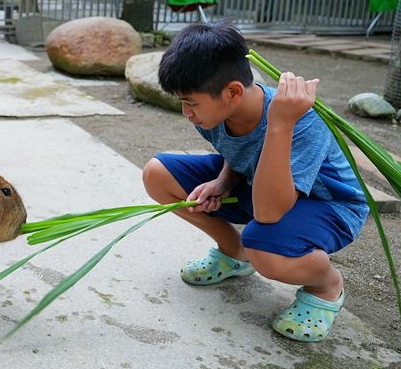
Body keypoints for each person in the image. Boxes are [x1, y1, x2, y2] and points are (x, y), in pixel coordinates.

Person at [142, 22, 369, 342]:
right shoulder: (212, 114)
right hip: (262, 186)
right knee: (157, 174)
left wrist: (280, 124)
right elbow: (238, 153)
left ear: (233, 91)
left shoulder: (297, 119)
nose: (187, 113)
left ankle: (326, 285)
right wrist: (222, 181)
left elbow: (269, 213)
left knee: (262, 243)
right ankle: (233, 253)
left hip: (327, 205)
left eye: (191, 102)